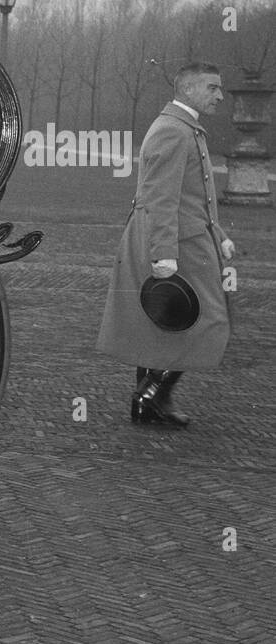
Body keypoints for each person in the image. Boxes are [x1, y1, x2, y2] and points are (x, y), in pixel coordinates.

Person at [97, 62, 236, 425]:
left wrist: (218, 235)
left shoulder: (183, 126)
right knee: (205, 320)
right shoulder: (174, 130)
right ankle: (150, 395)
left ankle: (148, 404)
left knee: (159, 323)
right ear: (188, 89)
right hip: (174, 242)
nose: (220, 95)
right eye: (213, 87)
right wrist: (164, 256)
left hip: (186, 237)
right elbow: (160, 198)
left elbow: (195, 194)